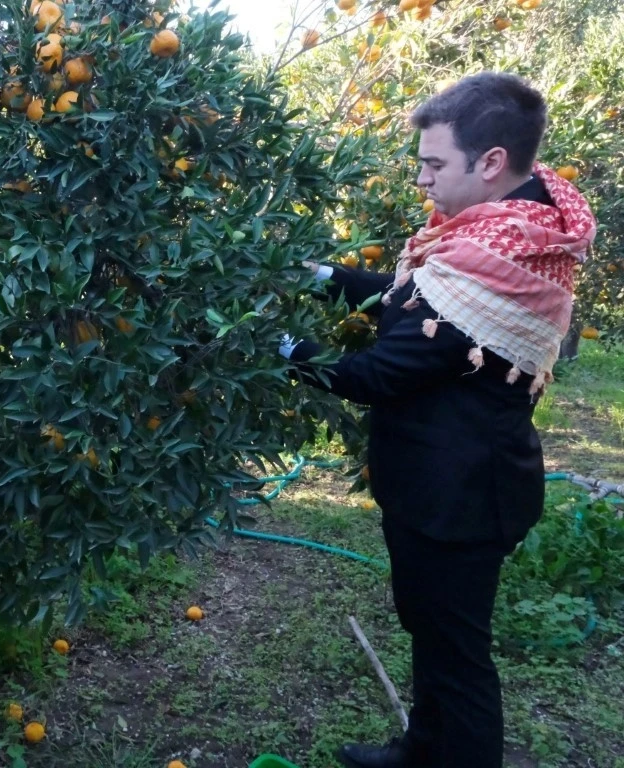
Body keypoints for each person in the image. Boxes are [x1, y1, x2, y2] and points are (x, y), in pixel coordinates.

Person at [280, 73, 597, 767]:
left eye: (433, 165)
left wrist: (282, 351)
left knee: (457, 655)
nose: (422, 181)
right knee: (431, 632)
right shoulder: (496, 238)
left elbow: (376, 373)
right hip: (438, 484)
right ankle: (423, 749)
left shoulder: (495, 266)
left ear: (490, 164)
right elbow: (408, 297)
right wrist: (321, 274)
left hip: (461, 500)